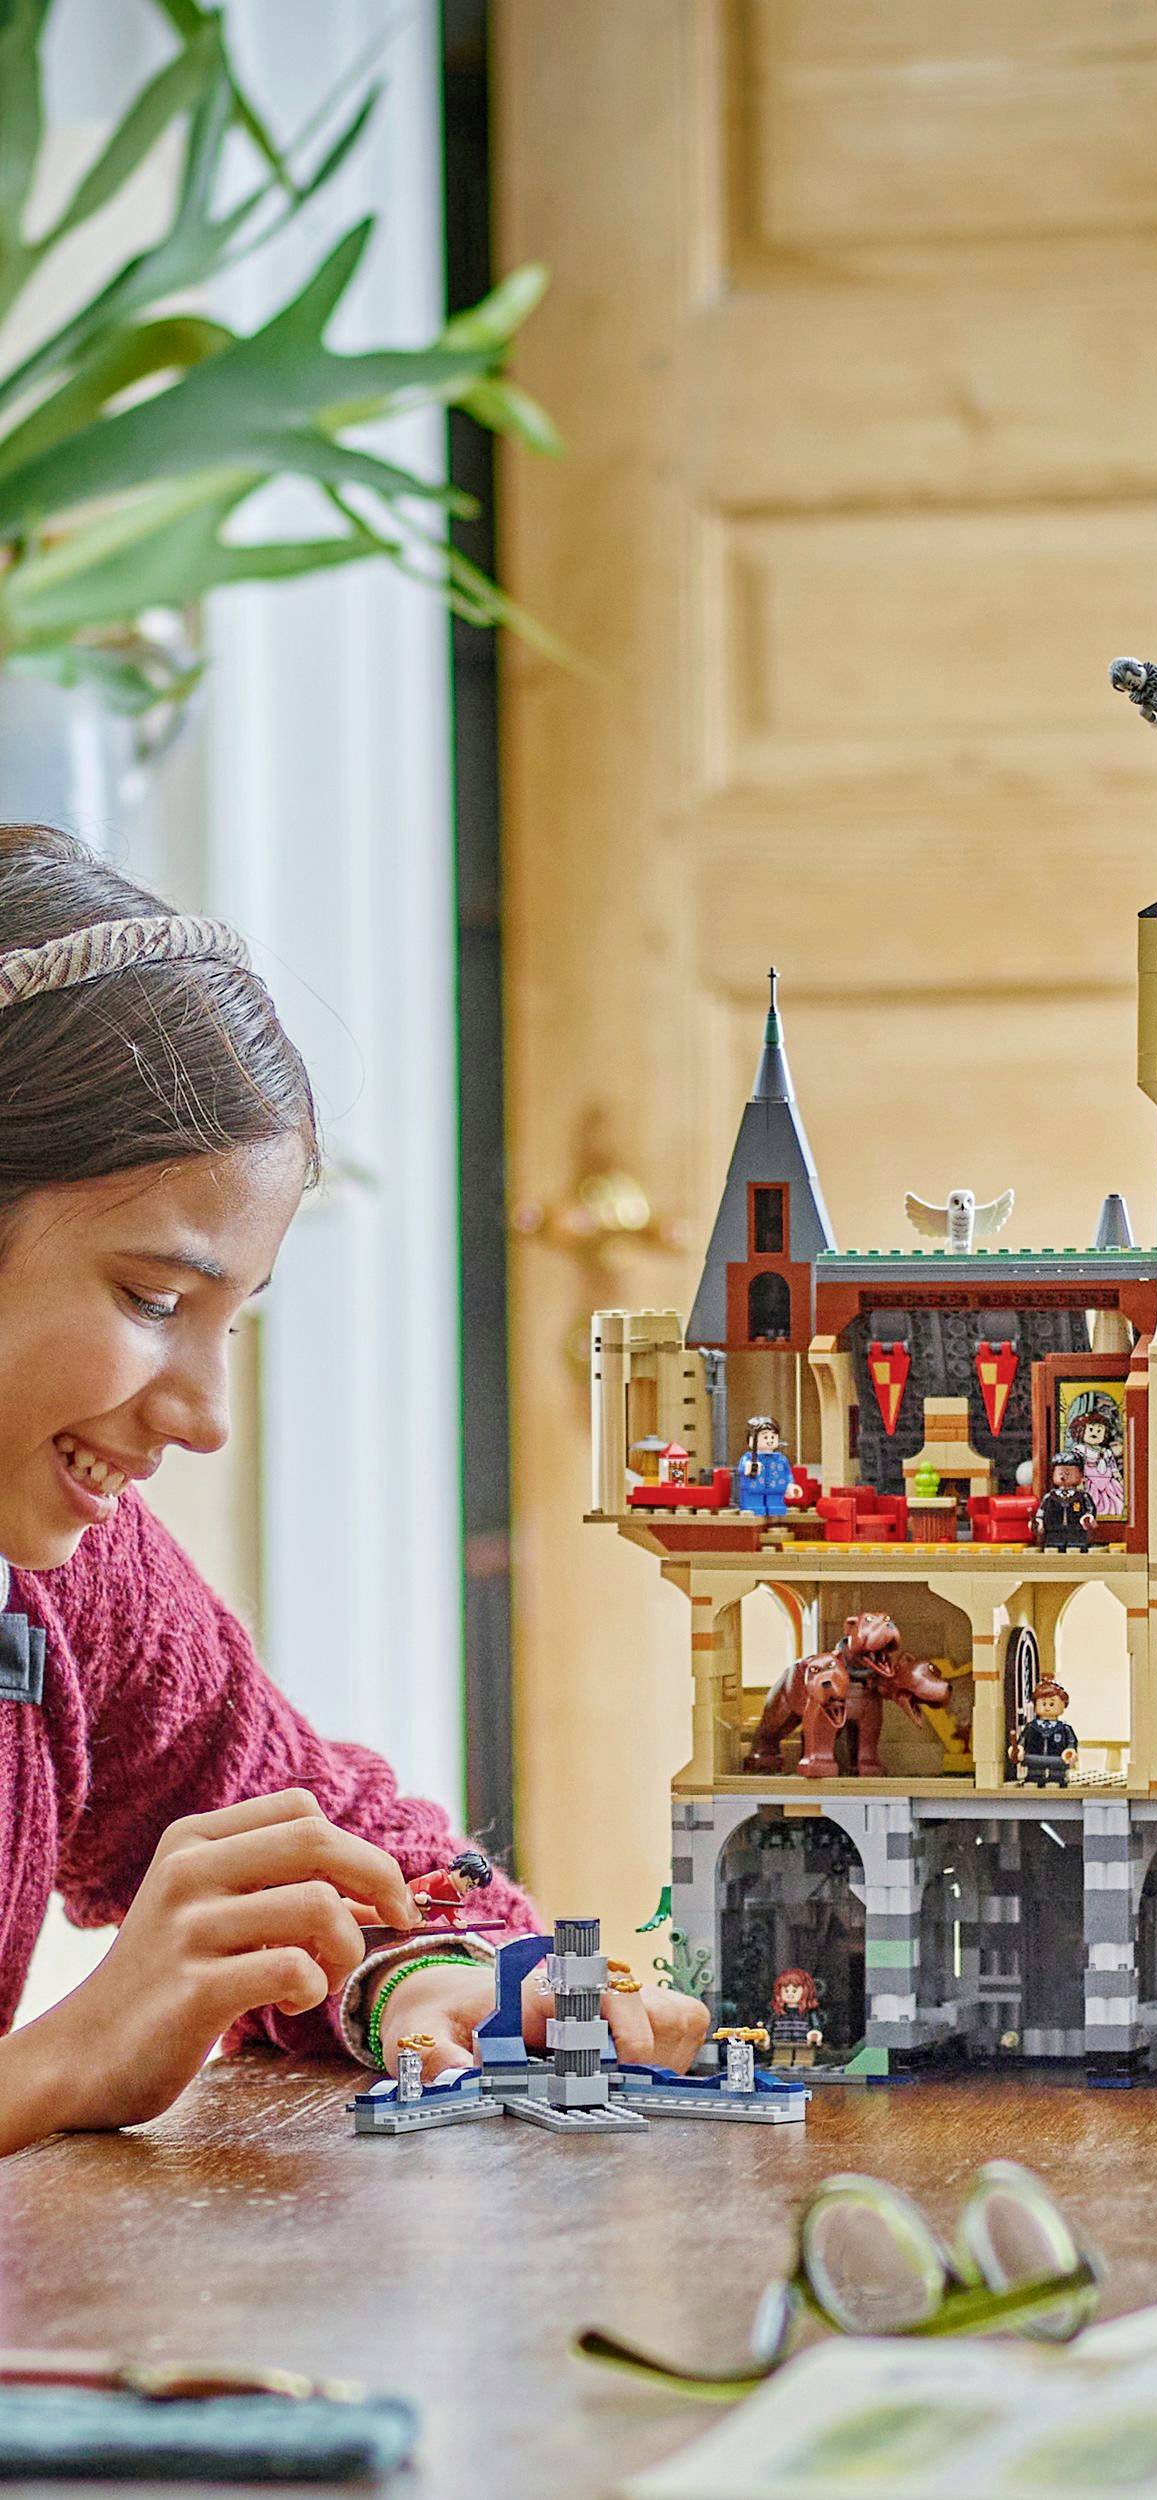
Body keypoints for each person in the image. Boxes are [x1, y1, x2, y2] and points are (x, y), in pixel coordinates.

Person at [0, 827, 710, 2160]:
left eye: (233, 1321)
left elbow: (336, 1842)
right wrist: (57, 2064)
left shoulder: (66, 1584)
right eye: (152, 1300)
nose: (204, 1418)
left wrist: (418, 1972)